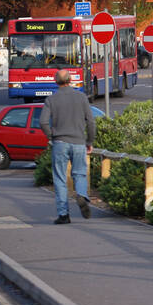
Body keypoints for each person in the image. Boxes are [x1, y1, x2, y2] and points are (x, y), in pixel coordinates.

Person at [38, 68, 96, 224]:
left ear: (56, 81)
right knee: (80, 173)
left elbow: (43, 122)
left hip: (60, 142)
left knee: (60, 178)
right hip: (78, 142)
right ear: (70, 80)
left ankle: (64, 215)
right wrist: (89, 142)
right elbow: (91, 122)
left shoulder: (51, 100)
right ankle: (82, 194)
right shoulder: (81, 97)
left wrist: (52, 136)